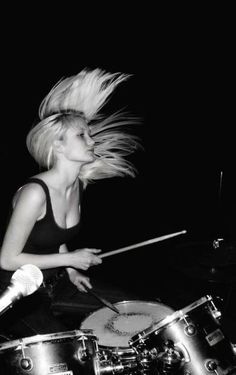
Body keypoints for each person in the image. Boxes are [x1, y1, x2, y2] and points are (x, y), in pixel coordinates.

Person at [0, 67, 141, 340]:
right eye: (82, 136)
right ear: (59, 146)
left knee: (135, 312)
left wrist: (71, 270)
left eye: (89, 134)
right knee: (75, 353)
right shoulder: (34, 193)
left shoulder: (79, 184)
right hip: (19, 292)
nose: (92, 140)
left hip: (58, 283)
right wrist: (71, 258)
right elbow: (7, 259)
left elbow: (54, 237)